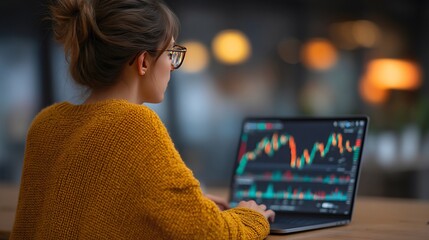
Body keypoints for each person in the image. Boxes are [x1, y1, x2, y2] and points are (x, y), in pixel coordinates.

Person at [10, 0, 275, 239]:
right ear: (144, 62)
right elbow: (210, 234)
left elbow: (83, 212)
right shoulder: (134, 124)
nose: (172, 65)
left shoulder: (46, 124)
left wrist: (188, 207)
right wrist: (250, 215)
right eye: (171, 53)